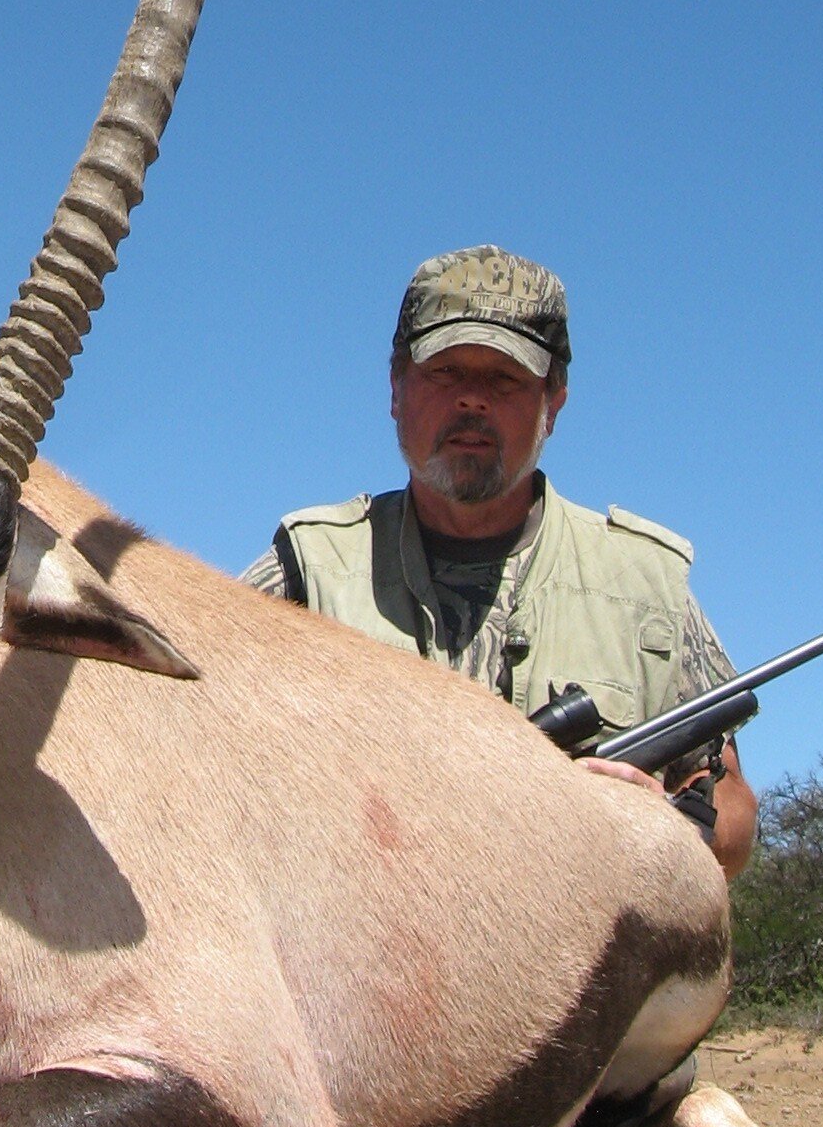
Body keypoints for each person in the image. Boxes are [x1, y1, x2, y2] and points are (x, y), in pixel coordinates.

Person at [245, 245, 757, 876]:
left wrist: (666, 828)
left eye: (505, 380)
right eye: (445, 372)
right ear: (396, 387)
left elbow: (730, 804)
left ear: (555, 402)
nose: (473, 401)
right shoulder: (305, 567)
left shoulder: (648, 585)